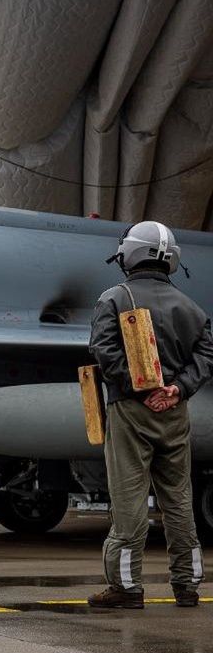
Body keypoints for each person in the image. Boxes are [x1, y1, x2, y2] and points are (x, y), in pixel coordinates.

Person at [88, 221, 213, 609]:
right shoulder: (191, 307)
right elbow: (206, 355)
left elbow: (103, 351)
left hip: (130, 411)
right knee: (178, 500)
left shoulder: (114, 298)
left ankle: (127, 589)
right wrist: (176, 389)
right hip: (175, 413)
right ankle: (188, 586)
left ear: (130, 254)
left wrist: (140, 389)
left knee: (129, 500)